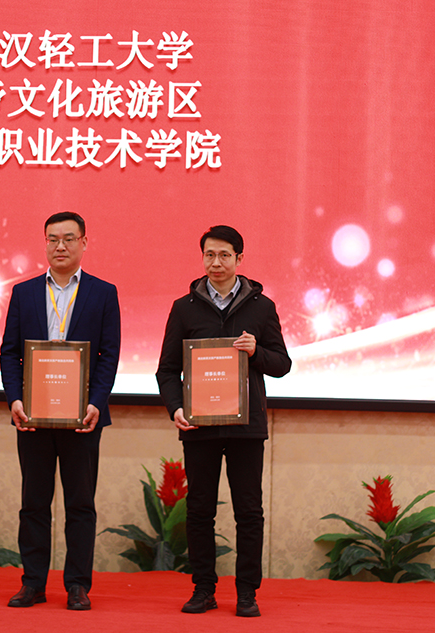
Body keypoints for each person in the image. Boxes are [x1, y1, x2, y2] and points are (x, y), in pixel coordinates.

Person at [154, 225, 290, 618]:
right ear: (202, 258)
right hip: (200, 426)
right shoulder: (185, 307)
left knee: (249, 511)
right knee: (199, 510)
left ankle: (247, 593)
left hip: (247, 427)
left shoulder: (261, 307)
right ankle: (203, 589)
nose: (216, 262)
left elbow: (282, 364)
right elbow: (167, 370)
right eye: (209, 255)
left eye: (224, 255)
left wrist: (256, 352)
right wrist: (176, 408)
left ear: (239, 259)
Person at [0, 211, 121, 611]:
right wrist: (15, 400)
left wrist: (95, 402)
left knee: (80, 506)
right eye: (52, 239)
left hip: (83, 418)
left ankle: (78, 585)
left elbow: (109, 355)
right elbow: (10, 353)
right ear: (45, 243)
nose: (60, 246)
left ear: (84, 242)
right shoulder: (24, 292)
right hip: (32, 417)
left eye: (69, 238)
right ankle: (32, 583)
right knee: (34, 503)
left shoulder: (104, 293)